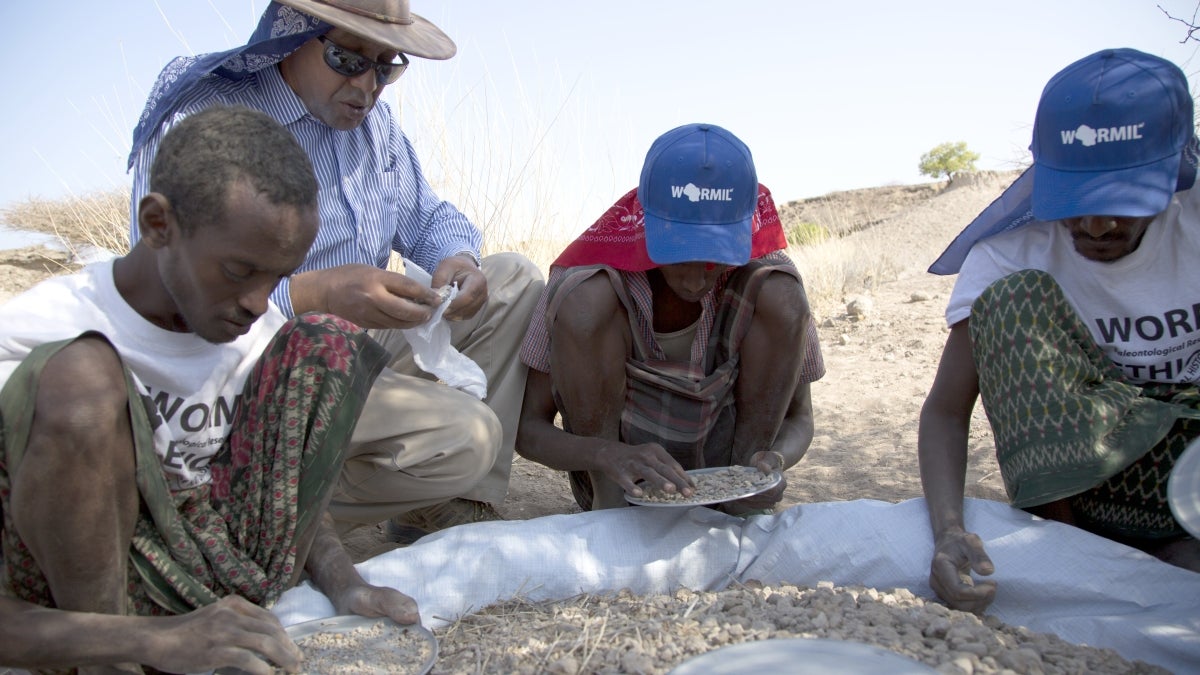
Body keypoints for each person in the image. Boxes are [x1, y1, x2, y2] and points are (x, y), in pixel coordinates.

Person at [0, 105, 418, 674]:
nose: (258, 301)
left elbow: (284, 485)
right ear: (157, 225)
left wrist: (347, 585)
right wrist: (146, 644)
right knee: (83, 378)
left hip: (224, 574)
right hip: (89, 594)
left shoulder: (255, 333)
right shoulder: (35, 332)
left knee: (323, 340)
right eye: (241, 271)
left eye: (278, 277)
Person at [126, 0, 544, 542]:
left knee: (514, 277)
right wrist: (312, 295)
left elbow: (428, 216)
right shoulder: (210, 120)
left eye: (387, 66)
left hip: (354, 346)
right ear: (291, 40)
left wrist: (456, 259)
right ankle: (248, 516)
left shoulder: (375, 128)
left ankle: (441, 507)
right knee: (469, 437)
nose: (369, 84)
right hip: (246, 366)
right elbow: (170, 295)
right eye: (348, 58)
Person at [919, 48, 1200, 614]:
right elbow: (947, 412)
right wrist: (949, 531)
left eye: (1122, 204)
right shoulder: (1008, 259)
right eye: (1076, 202)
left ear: (1171, 176)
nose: (1096, 227)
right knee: (1012, 301)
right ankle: (1077, 547)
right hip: (1089, 485)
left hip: (1190, 464)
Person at [515, 123, 825, 512]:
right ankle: (610, 513)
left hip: (727, 471)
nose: (696, 280)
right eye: (677, 253)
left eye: (715, 258)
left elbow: (801, 419)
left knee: (783, 294)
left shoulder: (769, 281)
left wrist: (773, 462)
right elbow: (528, 431)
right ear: (648, 223)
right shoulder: (589, 280)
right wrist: (607, 456)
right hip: (620, 479)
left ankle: (742, 496)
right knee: (584, 298)